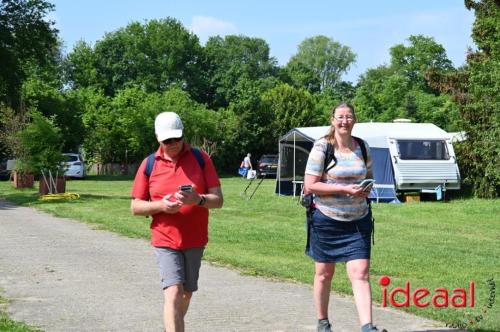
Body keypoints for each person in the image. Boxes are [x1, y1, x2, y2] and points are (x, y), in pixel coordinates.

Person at [130, 112, 223, 332]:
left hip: (194, 238)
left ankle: (170, 325)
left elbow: (218, 200)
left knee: (186, 293)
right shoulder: (149, 164)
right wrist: (161, 206)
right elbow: (135, 206)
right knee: (173, 292)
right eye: (166, 140)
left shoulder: (201, 159)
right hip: (164, 238)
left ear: (183, 135)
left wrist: (198, 199)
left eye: (176, 139)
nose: (172, 144)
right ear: (157, 138)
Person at [303, 103, 385, 332]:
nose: (344, 121)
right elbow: (310, 185)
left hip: (358, 219)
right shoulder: (322, 147)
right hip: (326, 219)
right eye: (340, 117)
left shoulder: (363, 147)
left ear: (354, 120)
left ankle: (367, 327)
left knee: (360, 273)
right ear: (332, 120)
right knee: (324, 274)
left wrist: (365, 189)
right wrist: (345, 190)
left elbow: (368, 176)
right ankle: (323, 322)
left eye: (349, 117)